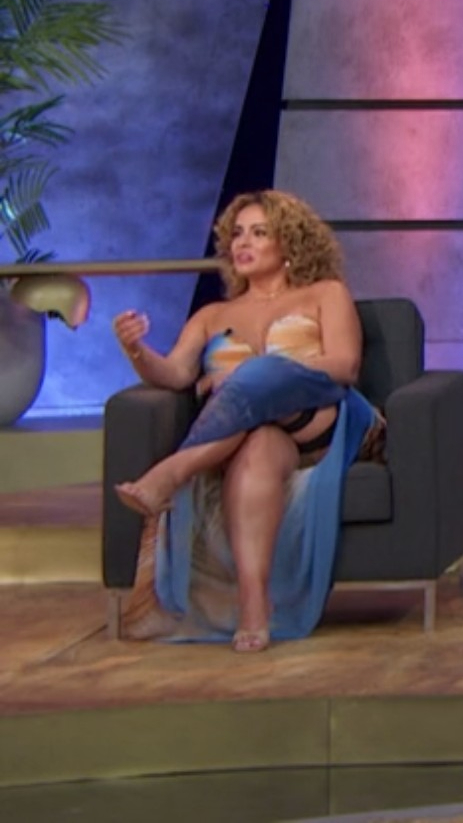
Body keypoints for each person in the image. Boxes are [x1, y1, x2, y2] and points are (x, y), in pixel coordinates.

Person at [111, 190, 377, 652]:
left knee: (262, 372)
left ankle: (173, 472)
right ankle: (255, 606)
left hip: (314, 419)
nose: (243, 243)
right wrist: (136, 350)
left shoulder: (324, 294)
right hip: (253, 438)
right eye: (237, 234)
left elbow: (344, 365)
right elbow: (175, 374)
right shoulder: (212, 315)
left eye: (258, 232)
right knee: (257, 452)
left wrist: (253, 373)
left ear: (288, 242)